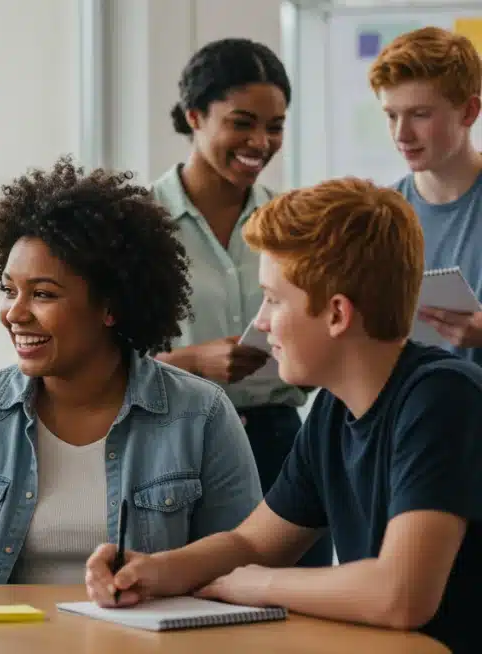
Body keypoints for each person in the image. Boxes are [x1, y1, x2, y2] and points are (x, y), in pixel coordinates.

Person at [85, 178, 482, 653]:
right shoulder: (335, 407)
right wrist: (154, 571)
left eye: (273, 298)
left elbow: (401, 596)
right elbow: (253, 544)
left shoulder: (442, 398)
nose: (262, 323)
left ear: (337, 314)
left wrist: (254, 586)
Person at [0, 158, 262, 590]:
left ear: (111, 306)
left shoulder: (201, 415)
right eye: (8, 290)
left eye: (42, 294)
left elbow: (237, 570)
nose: (14, 313)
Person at [150, 37, 330, 567]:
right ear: (195, 115)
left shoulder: (295, 222)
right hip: (179, 443)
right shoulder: (139, 223)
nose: (261, 141)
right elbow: (99, 357)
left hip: (283, 447)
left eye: (275, 126)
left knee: (302, 622)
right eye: (242, 122)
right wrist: (189, 364)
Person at [371, 26, 482, 366]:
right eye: (391, 115)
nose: (401, 134)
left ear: (469, 112)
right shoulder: (379, 216)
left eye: (420, 114)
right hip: (415, 413)